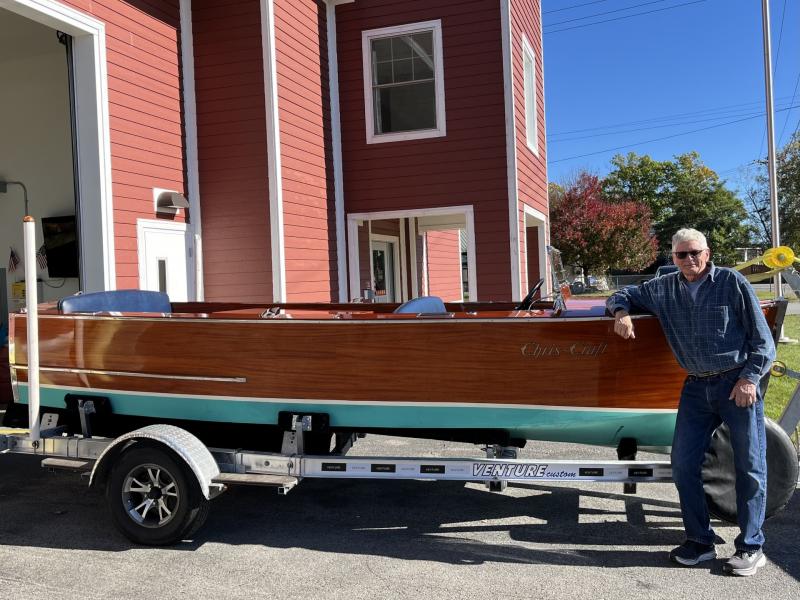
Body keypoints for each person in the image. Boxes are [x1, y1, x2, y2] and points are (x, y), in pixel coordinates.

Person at [606, 228, 775, 577]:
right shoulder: (662, 288)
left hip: (735, 383)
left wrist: (749, 378)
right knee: (683, 466)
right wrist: (621, 311)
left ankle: (751, 547)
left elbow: (763, 340)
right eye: (681, 255)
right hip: (696, 387)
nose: (689, 260)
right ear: (673, 258)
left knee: (749, 467)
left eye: (695, 252)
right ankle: (700, 541)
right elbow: (622, 292)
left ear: (707, 253)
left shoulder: (731, 282)